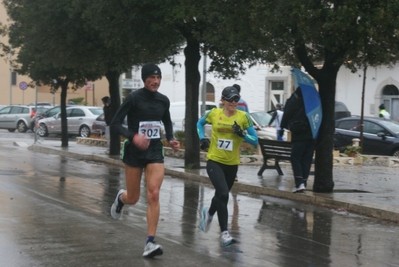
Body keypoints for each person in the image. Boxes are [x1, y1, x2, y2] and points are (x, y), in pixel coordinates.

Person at [110, 62, 180, 258]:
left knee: (154, 193)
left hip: (155, 150)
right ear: (144, 79)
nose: (156, 81)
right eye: (152, 78)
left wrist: (171, 138)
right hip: (134, 151)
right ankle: (120, 198)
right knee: (133, 198)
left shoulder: (163, 101)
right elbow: (114, 124)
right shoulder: (133, 98)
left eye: (158, 78)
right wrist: (133, 137)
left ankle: (150, 242)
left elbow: (166, 121)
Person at [197, 86, 258, 247]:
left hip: (231, 165)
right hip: (214, 161)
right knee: (224, 194)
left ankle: (208, 214)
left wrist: (242, 134)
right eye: (230, 99)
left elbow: (255, 141)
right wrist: (202, 138)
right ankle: (224, 234)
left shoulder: (244, 117)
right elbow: (199, 123)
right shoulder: (214, 114)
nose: (233, 102)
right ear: (222, 100)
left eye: (236, 99)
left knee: (220, 195)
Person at [280, 87, 315, 193]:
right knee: (306, 159)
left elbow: (286, 114)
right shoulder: (312, 104)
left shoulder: (294, 103)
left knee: (295, 158)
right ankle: (303, 181)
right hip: (311, 136)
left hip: (299, 136)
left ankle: (299, 182)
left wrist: (282, 127)